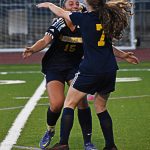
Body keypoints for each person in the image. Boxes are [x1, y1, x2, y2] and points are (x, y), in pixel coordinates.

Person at [36, 0, 137, 150]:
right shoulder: (105, 18)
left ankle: (63, 143)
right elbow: (108, 45)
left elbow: (62, 13)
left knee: (69, 104)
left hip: (91, 69)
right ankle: (110, 146)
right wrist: (123, 56)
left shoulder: (84, 18)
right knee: (101, 107)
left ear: (88, 4)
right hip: (109, 68)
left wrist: (50, 5)